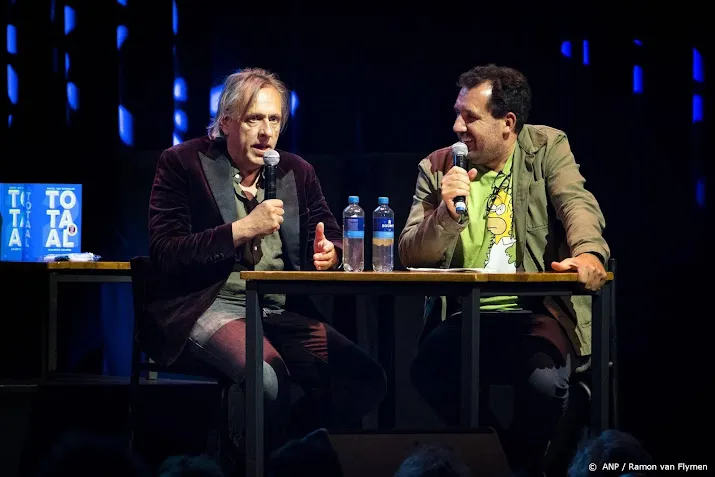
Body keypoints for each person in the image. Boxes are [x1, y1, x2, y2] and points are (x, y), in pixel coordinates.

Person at [143, 67, 386, 467]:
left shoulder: (295, 170)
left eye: (274, 120)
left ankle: (285, 454)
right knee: (266, 378)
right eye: (254, 119)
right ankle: (247, 464)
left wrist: (332, 253)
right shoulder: (183, 163)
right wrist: (241, 229)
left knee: (364, 379)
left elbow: (331, 234)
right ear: (225, 122)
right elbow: (166, 251)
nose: (266, 133)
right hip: (207, 305)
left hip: (276, 309)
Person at [399, 64, 610, 476]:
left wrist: (588, 253)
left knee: (545, 384)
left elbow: (576, 203)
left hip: (536, 311)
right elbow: (410, 253)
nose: (457, 127)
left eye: (470, 117)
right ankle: (499, 461)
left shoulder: (545, 147)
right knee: (428, 369)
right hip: (466, 314)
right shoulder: (438, 166)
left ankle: (517, 467)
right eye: (457, 113)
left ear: (508, 123)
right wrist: (445, 215)